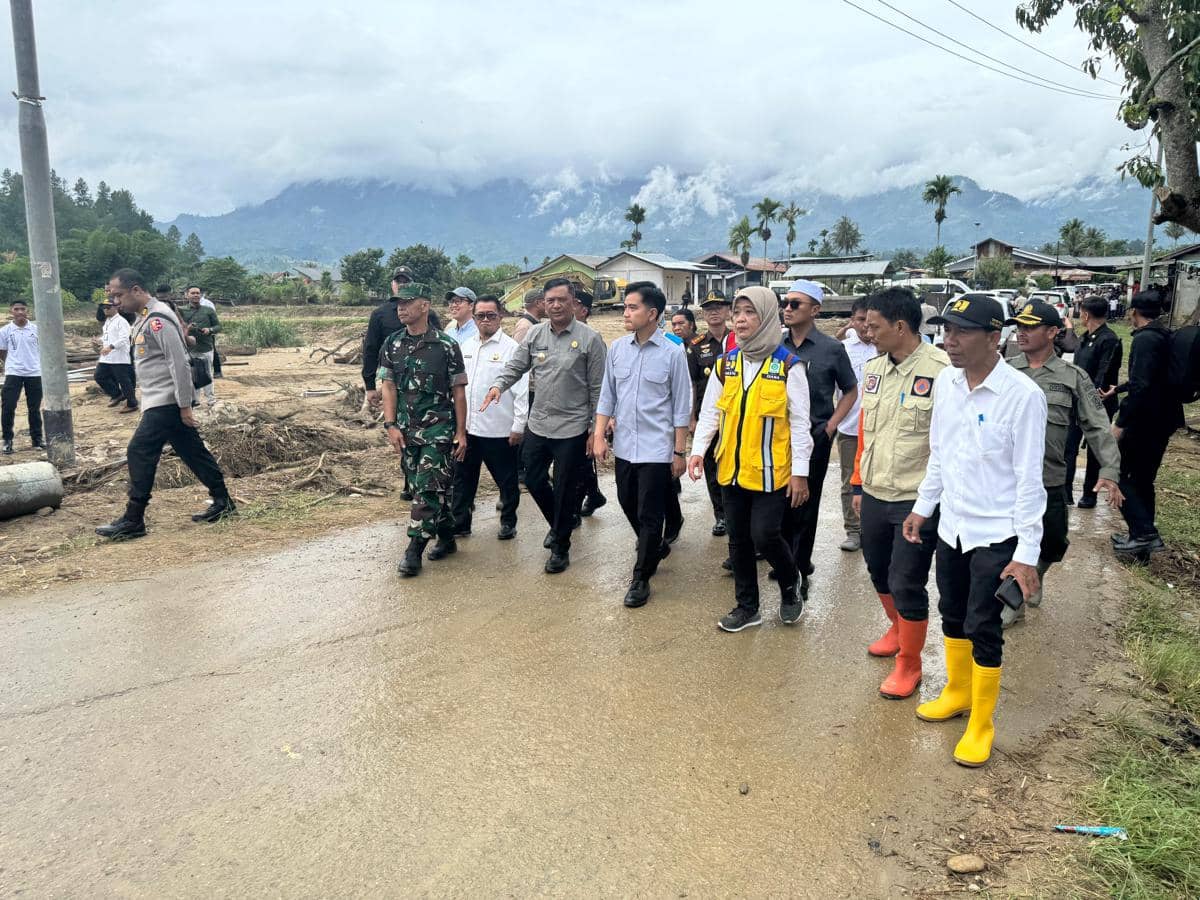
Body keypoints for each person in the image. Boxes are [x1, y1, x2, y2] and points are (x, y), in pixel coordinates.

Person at [902, 294, 1047, 767]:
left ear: (994, 337)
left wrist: (1026, 551)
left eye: (963, 332)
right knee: (951, 610)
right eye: (947, 330)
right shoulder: (946, 382)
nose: (951, 340)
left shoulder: (1023, 396)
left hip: (997, 532)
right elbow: (941, 453)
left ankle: (981, 723)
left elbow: (1030, 480)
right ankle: (957, 691)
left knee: (984, 624)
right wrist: (923, 509)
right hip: (954, 525)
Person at [690, 287, 813, 632]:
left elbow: (802, 423)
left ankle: (791, 587)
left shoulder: (788, 365)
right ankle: (748, 607)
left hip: (773, 472)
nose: (740, 319)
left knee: (765, 535)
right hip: (731, 469)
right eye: (737, 312)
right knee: (738, 539)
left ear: (767, 317)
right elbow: (712, 411)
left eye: (749, 312)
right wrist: (698, 450)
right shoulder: (726, 364)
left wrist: (800, 473)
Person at [849, 288, 950, 699]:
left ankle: (910, 663)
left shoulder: (943, 372)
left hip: (916, 498)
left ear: (901, 326)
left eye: (873, 326)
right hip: (875, 492)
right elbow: (864, 432)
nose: (866, 333)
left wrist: (931, 504)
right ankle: (897, 628)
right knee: (877, 570)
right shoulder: (873, 369)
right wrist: (858, 483)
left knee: (906, 580)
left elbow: (948, 445)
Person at [1004, 299, 1122, 626]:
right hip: (1006, 479)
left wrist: (1110, 471)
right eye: (1020, 326)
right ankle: (1013, 600)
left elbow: (1097, 425)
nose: (1022, 333)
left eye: (1031, 327)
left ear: (1053, 331)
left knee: (1053, 541)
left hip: (1049, 477)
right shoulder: (1006, 371)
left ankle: (1036, 570)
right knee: (1006, 543)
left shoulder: (1073, 377)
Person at [96, 269, 235, 539]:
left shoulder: (158, 318)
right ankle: (222, 501)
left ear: (136, 290)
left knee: (139, 451)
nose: (115, 302)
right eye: (112, 297)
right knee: (192, 451)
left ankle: (134, 518)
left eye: (118, 295)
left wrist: (184, 404)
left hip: (167, 401)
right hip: (160, 399)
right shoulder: (143, 318)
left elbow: (179, 363)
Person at [482, 277, 606, 574]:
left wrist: (595, 430)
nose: (555, 305)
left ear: (573, 302)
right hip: (539, 424)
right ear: (544, 303)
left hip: (573, 428)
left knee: (564, 487)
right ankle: (560, 523)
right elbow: (516, 366)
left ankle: (560, 547)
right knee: (535, 479)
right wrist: (499, 385)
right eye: (550, 300)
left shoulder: (590, 339)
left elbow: (599, 389)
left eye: (561, 300)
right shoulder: (536, 334)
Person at [594, 282, 692, 608]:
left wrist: (679, 451)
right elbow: (607, 395)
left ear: (652, 314)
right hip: (625, 446)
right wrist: (597, 436)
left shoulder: (673, 352)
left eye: (632, 307)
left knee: (650, 514)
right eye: (625, 307)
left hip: (656, 447)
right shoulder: (618, 349)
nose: (626, 312)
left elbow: (681, 406)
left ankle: (641, 578)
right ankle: (654, 547)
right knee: (626, 501)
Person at [378, 283, 468, 576]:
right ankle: (446, 534)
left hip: (438, 431)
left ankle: (413, 549)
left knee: (428, 489)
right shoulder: (392, 343)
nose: (401, 308)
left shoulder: (445, 345)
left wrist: (461, 432)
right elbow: (388, 387)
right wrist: (390, 425)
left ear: (424, 306)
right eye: (398, 304)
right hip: (406, 431)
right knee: (422, 487)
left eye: (407, 302)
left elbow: (459, 393)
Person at [780, 279, 858, 596]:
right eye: (785, 302)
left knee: (805, 505)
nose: (787, 308)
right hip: (778, 438)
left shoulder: (831, 349)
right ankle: (785, 561)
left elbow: (850, 390)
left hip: (815, 437)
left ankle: (801, 567)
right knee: (779, 503)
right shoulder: (775, 345)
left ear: (815, 310)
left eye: (795, 304)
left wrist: (831, 425)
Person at [1110, 290, 1185, 556]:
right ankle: (1138, 536)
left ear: (1133, 312)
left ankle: (1144, 533)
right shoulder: (1164, 335)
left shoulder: (1145, 340)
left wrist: (1120, 423)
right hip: (1164, 417)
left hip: (1146, 421)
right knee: (1143, 479)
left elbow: (1142, 387)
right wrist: (1117, 388)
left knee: (1122, 475)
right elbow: (1151, 378)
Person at [452, 295, 527, 540]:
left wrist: (518, 425)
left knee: (506, 481)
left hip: (499, 430)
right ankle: (461, 523)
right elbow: (459, 389)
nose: (485, 320)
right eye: (480, 315)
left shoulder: (511, 349)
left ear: (500, 316)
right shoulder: (466, 347)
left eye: (491, 315)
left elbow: (521, 390)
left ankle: (508, 522)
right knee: (463, 479)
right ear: (473, 318)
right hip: (469, 429)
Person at [1065, 296, 1123, 508]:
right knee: (1069, 447)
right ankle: (1066, 492)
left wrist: (1090, 396)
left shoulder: (1109, 339)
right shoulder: (1085, 337)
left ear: (1086, 314)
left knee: (1094, 449)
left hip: (1098, 402)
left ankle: (1089, 494)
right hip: (1075, 400)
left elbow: (1103, 373)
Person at [363, 266, 415, 498]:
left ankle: (424, 481)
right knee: (399, 430)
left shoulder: (426, 312)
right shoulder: (381, 314)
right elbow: (371, 349)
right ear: (392, 284)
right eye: (398, 281)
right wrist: (369, 385)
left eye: (405, 281)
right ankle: (409, 481)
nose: (401, 284)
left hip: (422, 384)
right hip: (393, 384)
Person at [689, 292, 737, 535]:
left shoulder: (739, 340)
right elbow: (691, 384)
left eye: (719, 307)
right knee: (710, 466)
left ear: (729, 311)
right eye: (708, 309)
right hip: (708, 416)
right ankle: (721, 516)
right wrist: (692, 418)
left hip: (735, 416)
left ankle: (736, 513)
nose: (714, 312)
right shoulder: (696, 346)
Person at [835, 298, 877, 552]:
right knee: (850, 481)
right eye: (860, 320)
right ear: (852, 321)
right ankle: (853, 530)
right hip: (850, 428)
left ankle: (873, 529)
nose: (865, 326)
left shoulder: (885, 348)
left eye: (869, 321)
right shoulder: (842, 349)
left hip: (880, 428)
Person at [573, 288, 608, 518]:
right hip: (567, 410)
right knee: (576, 461)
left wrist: (595, 423)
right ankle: (593, 493)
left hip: (585, 410)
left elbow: (600, 384)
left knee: (578, 461)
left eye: (572, 303)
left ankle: (576, 506)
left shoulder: (592, 340)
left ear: (583, 310)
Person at [0, 299, 44, 454]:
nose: (19, 312)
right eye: (16, 309)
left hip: (35, 372)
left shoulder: (36, 329)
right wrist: (12, 364)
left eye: (22, 309)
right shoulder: (5, 331)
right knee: (8, 406)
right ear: (11, 311)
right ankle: (7, 440)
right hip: (14, 373)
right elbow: (3, 351)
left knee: (34, 408)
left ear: (27, 311)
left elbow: (42, 349)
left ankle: (37, 439)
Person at [180, 286, 221, 407]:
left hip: (206, 347)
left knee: (207, 373)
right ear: (187, 295)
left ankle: (211, 399)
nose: (196, 295)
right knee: (192, 375)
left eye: (198, 293)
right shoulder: (181, 311)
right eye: (192, 293)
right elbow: (178, 327)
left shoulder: (208, 310)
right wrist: (188, 328)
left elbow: (218, 326)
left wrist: (210, 329)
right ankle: (195, 399)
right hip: (189, 349)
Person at [94, 299, 137, 412]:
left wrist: (111, 347)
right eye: (103, 307)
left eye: (108, 307)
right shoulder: (108, 322)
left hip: (119, 356)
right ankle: (116, 394)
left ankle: (132, 403)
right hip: (107, 356)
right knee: (99, 376)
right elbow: (108, 336)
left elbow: (124, 338)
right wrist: (100, 340)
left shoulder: (121, 321)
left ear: (116, 307)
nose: (105, 310)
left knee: (124, 381)